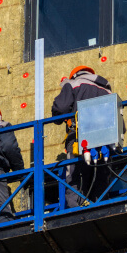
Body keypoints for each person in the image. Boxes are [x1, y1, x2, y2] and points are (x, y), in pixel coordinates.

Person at [51, 66, 113, 207]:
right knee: (101, 179)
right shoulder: (107, 91)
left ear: (74, 75)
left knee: (74, 179)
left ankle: (74, 213)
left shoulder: (73, 84)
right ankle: (102, 209)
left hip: (79, 140)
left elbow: (60, 109)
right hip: (105, 141)